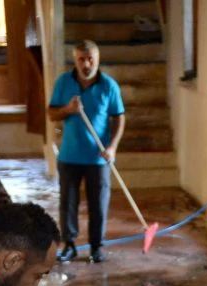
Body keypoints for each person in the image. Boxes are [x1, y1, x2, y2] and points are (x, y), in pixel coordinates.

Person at [48, 40, 125, 264]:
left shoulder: (109, 86)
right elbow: (52, 113)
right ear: (75, 60)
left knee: (98, 204)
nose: (86, 63)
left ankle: (96, 247)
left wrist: (112, 147)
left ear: (97, 59)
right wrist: (68, 109)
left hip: (98, 158)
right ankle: (70, 245)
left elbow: (119, 117)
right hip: (69, 156)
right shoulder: (63, 82)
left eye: (90, 58)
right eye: (82, 59)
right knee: (68, 204)